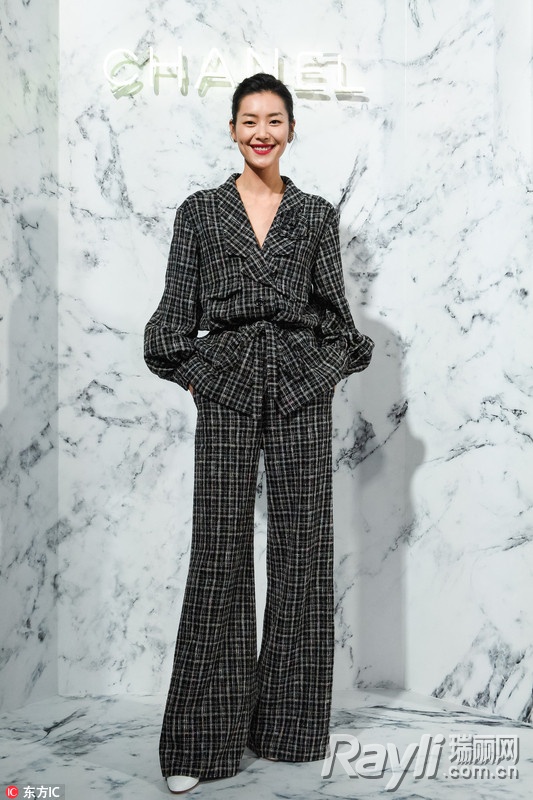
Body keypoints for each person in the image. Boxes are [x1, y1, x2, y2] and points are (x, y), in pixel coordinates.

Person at [144, 72, 374, 794]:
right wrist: (195, 376)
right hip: (229, 381)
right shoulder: (200, 213)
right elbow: (171, 321)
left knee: (302, 548)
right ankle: (201, 743)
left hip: (300, 385)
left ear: (291, 129)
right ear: (233, 129)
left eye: (274, 120)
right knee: (219, 548)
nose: (261, 132)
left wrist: (321, 375)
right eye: (249, 120)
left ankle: (288, 729)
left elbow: (338, 322)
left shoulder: (314, 215)